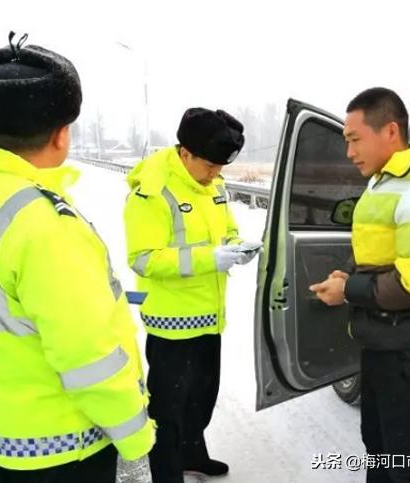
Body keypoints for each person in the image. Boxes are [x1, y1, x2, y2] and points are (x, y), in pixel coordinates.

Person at [0, 33, 155, 483]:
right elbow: (86, 355)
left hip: (5, 431)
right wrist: (136, 434)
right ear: (62, 133)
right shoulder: (43, 224)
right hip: (62, 446)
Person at [309, 87, 410, 483]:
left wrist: (348, 291)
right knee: (378, 446)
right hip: (384, 339)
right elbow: (379, 250)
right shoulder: (387, 182)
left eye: (354, 139)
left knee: (405, 463)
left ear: (390, 131)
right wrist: (348, 275)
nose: (349, 152)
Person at [123, 107, 259, 483]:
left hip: (209, 314)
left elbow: (225, 229)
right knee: (168, 410)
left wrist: (235, 246)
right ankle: (168, 474)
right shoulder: (152, 193)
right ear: (185, 153)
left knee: (201, 399)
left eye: (221, 166)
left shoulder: (213, 185)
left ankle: (192, 456)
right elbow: (143, 259)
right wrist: (209, 258)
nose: (216, 173)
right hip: (171, 322)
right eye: (210, 164)